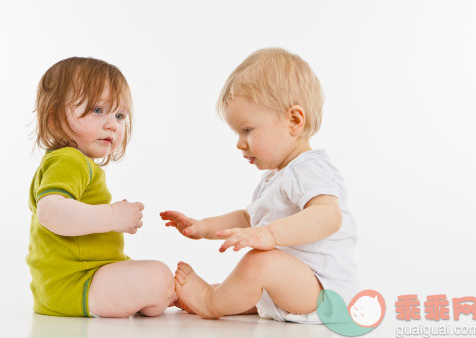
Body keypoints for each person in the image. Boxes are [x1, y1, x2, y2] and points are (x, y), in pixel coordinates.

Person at [161, 48, 359, 324]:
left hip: (323, 292)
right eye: (237, 133)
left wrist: (269, 235)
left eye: (247, 130)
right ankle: (226, 298)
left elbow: (329, 215)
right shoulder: (276, 177)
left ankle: (210, 302)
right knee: (255, 268)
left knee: (259, 262)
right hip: (295, 287)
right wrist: (204, 226)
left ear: (294, 121)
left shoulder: (310, 169)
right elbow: (247, 218)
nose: (239, 143)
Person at [26, 57, 175, 318]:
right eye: (97, 110)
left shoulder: (77, 163)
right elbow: (50, 212)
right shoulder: (67, 160)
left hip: (83, 278)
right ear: (53, 118)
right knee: (158, 277)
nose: (112, 124)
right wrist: (112, 217)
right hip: (73, 284)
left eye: (119, 115)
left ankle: (174, 295)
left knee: (159, 280)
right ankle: (170, 294)